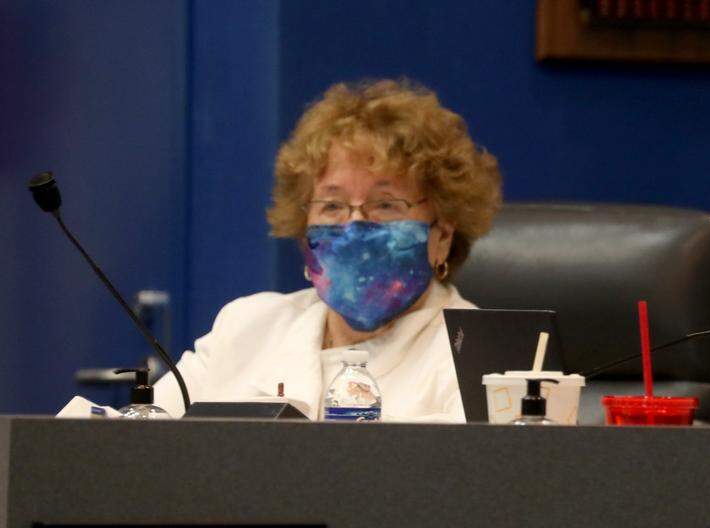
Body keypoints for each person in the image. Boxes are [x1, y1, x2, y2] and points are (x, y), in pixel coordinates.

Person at [152, 79, 502, 421]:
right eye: (332, 206)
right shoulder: (247, 328)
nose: (354, 227)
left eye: (385, 205)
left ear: (442, 234)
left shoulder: (479, 358)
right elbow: (134, 439)